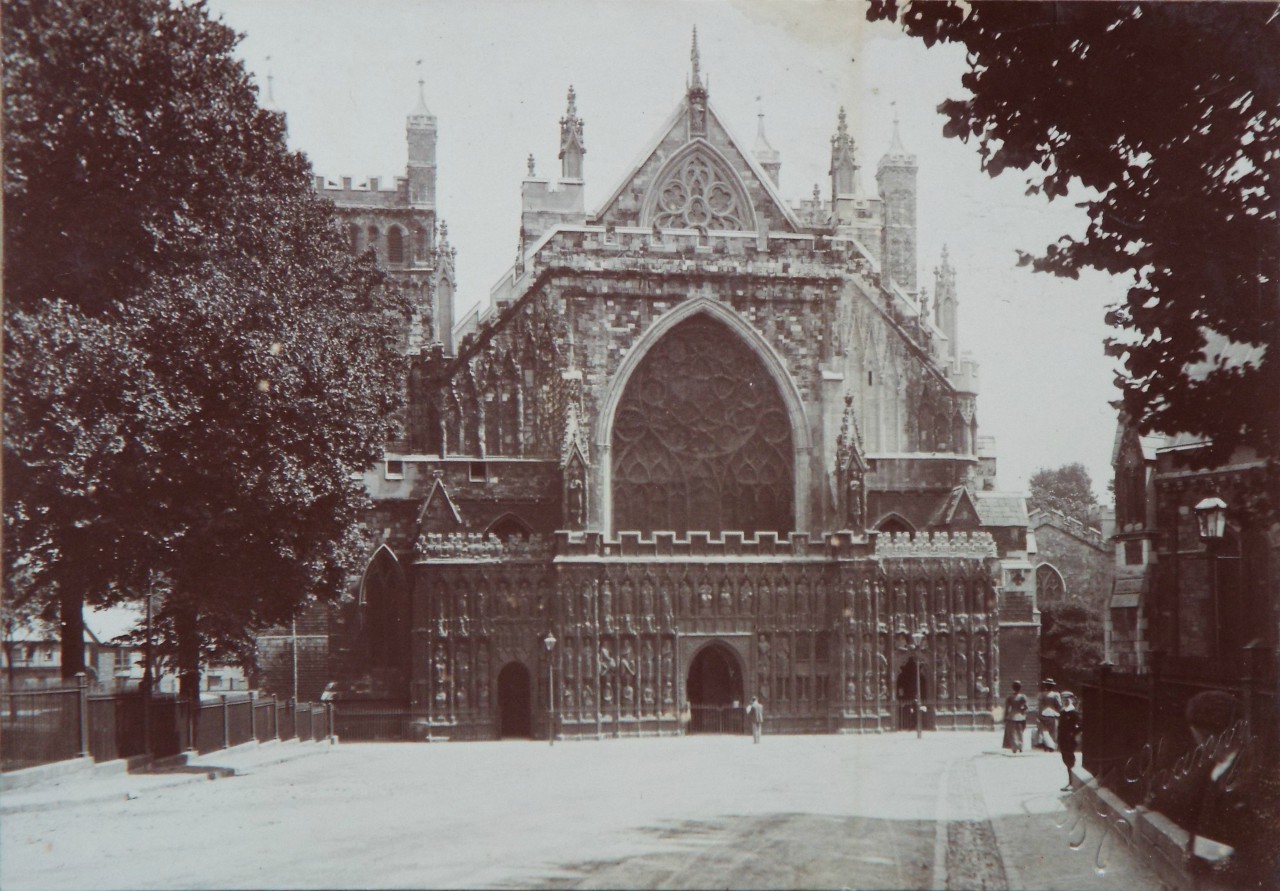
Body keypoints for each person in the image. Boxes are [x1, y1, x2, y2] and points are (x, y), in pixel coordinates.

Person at [1058, 691, 1081, 791]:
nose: (1065, 701)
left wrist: (1073, 733)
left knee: (1070, 760)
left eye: (1067, 699)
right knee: (1065, 760)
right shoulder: (1063, 712)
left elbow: (1080, 725)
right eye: (1063, 700)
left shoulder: (1073, 712)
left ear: (1071, 700)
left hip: (1069, 740)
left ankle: (1072, 783)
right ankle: (1070, 782)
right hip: (1063, 740)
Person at [1003, 681, 1028, 754]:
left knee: (1013, 733)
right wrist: (1022, 711)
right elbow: (1026, 707)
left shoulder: (1010, 697)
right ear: (1020, 688)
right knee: (1020, 732)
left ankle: (1014, 747)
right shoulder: (1023, 696)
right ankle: (1020, 746)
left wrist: (1005, 717)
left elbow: (1007, 708)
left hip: (1011, 716)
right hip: (1020, 716)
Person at [1037, 678, 1062, 752]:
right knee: (1053, 731)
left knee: (1044, 730)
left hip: (1044, 713)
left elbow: (1040, 705)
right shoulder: (1055, 694)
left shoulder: (1042, 694)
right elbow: (1059, 705)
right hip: (1053, 713)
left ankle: (1046, 745)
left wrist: (1039, 714)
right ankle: (1052, 746)